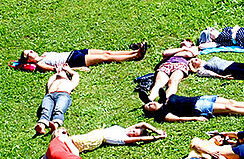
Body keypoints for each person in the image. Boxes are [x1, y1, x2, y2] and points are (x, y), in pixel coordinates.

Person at [143, 94, 244, 123]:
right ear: (152, 112)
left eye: (148, 103)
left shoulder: (164, 98)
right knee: (228, 107)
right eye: (148, 108)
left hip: (201, 98)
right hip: (198, 107)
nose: (149, 105)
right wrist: (196, 118)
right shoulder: (162, 113)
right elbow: (178, 118)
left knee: (231, 101)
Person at [17, 43, 147, 72]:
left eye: (31, 50)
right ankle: (136, 56)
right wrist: (79, 68)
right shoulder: (41, 63)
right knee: (105, 57)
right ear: (29, 60)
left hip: (75, 53)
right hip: (73, 60)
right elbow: (58, 70)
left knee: (107, 52)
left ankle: (134, 51)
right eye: (30, 54)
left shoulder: (45, 53)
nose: (33, 52)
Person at [35, 64, 79, 135]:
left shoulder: (70, 82)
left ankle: (55, 125)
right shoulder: (53, 80)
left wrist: (68, 70)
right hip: (49, 95)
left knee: (59, 109)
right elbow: (50, 81)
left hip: (63, 95)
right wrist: (57, 72)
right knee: (45, 110)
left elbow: (76, 75)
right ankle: (41, 126)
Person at [70, 123, 166, 152]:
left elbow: (141, 139)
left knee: (75, 142)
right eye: (133, 131)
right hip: (96, 133)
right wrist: (157, 130)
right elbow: (143, 124)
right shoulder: (123, 129)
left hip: (97, 139)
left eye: (134, 134)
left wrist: (156, 137)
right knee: (73, 139)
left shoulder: (124, 139)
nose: (131, 133)